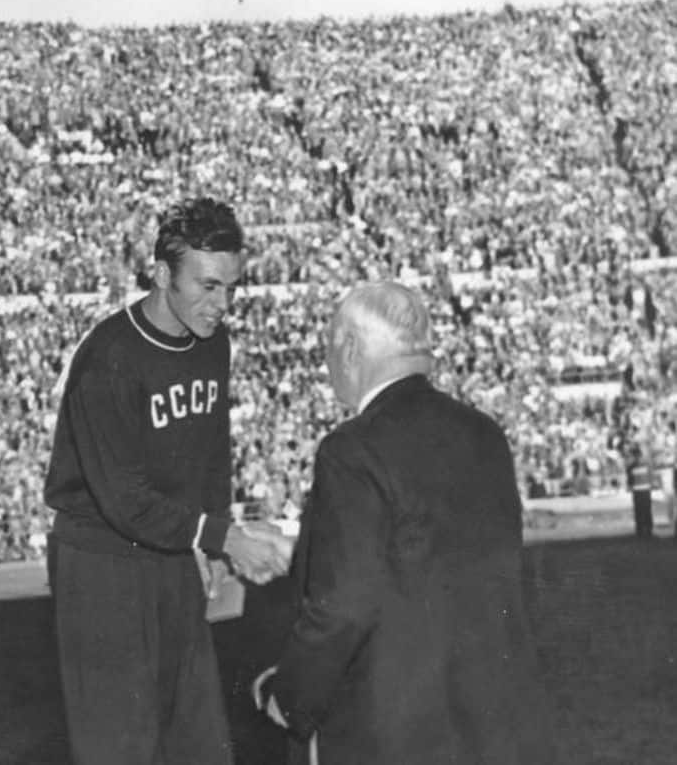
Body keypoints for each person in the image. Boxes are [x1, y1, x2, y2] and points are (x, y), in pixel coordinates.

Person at [253, 282, 554, 765]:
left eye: (328, 347)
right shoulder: (484, 434)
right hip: (487, 720)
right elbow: (433, 560)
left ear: (350, 348)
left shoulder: (351, 449)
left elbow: (346, 605)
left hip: (391, 729)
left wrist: (290, 695)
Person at [43, 197, 293, 765]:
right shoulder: (109, 357)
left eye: (231, 288)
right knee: (120, 747)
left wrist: (219, 539)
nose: (221, 304)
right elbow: (122, 500)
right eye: (207, 286)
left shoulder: (213, 344)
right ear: (161, 275)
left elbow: (209, 456)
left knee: (197, 740)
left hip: (172, 554)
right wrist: (221, 537)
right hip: (101, 564)